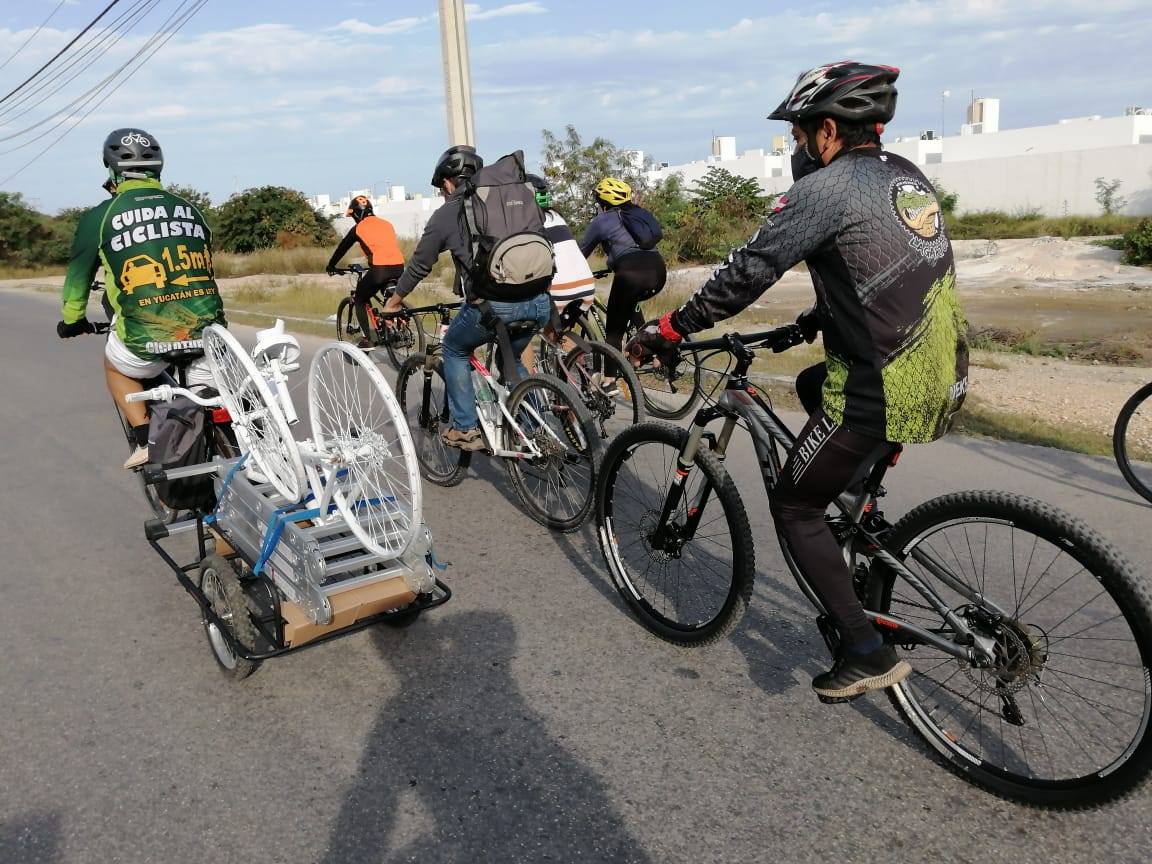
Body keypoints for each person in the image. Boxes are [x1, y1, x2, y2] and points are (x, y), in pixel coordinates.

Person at [630, 61, 969, 701]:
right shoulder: (908, 180)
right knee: (816, 389)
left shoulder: (825, 190)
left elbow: (746, 271)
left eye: (799, 133)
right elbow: (886, 275)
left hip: (883, 384)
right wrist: (809, 323)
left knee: (793, 504)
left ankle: (866, 651)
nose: (796, 146)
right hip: (941, 370)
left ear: (830, 131)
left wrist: (670, 330)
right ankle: (858, 517)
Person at [56, 128, 226, 470]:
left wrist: (72, 321)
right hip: (211, 334)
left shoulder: (100, 217)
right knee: (213, 391)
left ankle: (144, 438)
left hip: (146, 339)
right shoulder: (189, 208)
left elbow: (78, 279)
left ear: (112, 170)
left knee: (116, 368)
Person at [381, 146, 552, 451]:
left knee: (455, 348)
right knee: (511, 361)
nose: (442, 192)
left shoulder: (448, 212)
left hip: (494, 307)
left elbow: (420, 265)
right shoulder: (515, 202)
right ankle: (536, 429)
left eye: (441, 187)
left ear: (448, 182)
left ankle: (464, 428)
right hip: (539, 300)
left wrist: (394, 303)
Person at [578, 178, 666, 363]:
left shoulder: (601, 220)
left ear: (603, 203)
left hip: (631, 275)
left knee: (613, 333)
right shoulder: (638, 215)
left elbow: (579, 254)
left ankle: (609, 383)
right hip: (658, 271)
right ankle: (655, 355)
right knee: (629, 302)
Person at [520, 173, 596, 371]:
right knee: (559, 336)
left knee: (521, 335)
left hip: (559, 289)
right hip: (586, 286)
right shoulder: (557, 216)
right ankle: (586, 381)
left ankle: (529, 389)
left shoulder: (525, 221)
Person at [326, 195, 406, 349]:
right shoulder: (386, 224)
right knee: (388, 296)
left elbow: (342, 248)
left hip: (380, 269)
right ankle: (394, 329)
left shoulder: (359, 228)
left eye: (353, 216)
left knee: (360, 299)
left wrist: (331, 265)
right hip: (399, 267)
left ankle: (367, 340)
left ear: (357, 213)